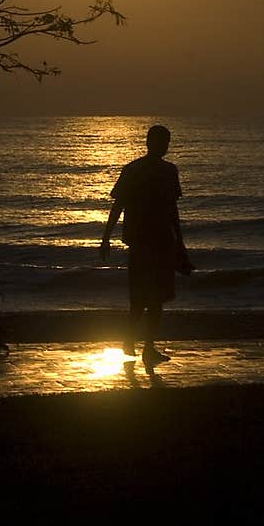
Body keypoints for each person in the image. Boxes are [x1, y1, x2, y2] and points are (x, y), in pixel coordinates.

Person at [100, 124, 192, 367]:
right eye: (162, 142)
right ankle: (138, 343)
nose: (164, 146)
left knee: (151, 298)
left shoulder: (163, 171)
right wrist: (106, 237)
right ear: (150, 143)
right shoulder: (138, 170)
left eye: (166, 142)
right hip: (145, 242)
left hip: (156, 241)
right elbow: (118, 205)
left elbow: (172, 210)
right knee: (145, 298)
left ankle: (143, 345)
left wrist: (180, 244)